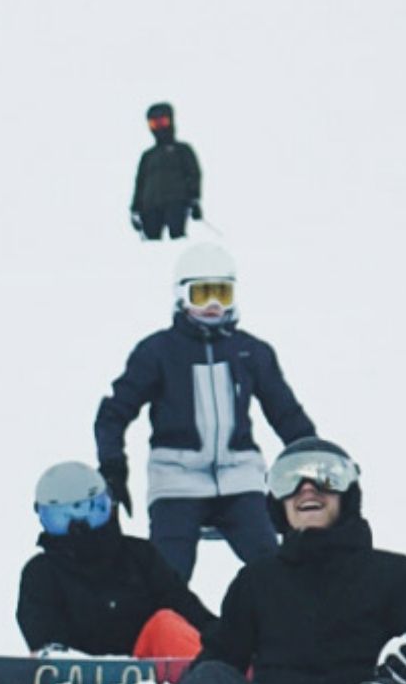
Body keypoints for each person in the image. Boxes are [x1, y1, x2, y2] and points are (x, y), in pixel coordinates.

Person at [166, 438, 406, 684]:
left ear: (346, 497)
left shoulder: (396, 574)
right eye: (289, 480)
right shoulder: (256, 581)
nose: (307, 489)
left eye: (327, 477)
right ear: (277, 504)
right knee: (212, 676)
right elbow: (219, 660)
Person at [94, 244, 318, 582]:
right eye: (202, 295)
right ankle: (161, 631)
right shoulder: (158, 351)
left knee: (275, 566)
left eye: (222, 294)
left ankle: (286, 628)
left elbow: (285, 413)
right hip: (176, 481)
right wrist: (113, 468)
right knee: (166, 576)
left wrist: (313, 460)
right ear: (182, 297)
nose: (213, 306)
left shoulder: (250, 351)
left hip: (240, 476)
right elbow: (114, 413)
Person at [17, 461, 215, 657]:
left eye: (92, 510)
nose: (80, 526)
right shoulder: (41, 573)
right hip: (78, 673)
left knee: (167, 624)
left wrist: (230, 642)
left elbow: (189, 611)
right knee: (50, 654)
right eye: (62, 518)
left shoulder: (140, 556)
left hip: (154, 667)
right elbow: (42, 634)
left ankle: (227, 678)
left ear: (108, 506)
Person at [130, 101, 202, 240]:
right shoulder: (148, 156)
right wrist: (135, 209)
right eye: (154, 124)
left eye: (163, 122)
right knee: (151, 244)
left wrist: (194, 199)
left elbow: (194, 174)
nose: (159, 128)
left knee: (177, 238)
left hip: (176, 202)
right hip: (149, 206)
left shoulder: (182, 150)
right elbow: (140, 184)